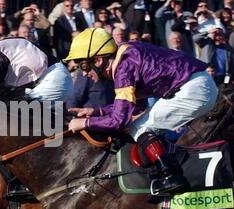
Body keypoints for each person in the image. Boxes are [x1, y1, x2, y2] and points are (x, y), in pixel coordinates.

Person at [65, 28, 218, 195]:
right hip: (195, 85)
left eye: (84, 65)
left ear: (99, 60)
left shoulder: (123, 67)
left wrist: (84, 123)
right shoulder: (124, 58)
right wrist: (96, 111)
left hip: (194, 89)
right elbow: (136, 106)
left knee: (139, 128)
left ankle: (171, 176)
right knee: (142, 124)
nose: (84, 73)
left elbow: (119, 120)